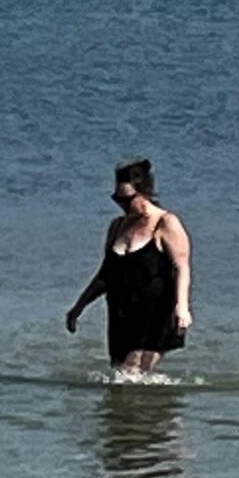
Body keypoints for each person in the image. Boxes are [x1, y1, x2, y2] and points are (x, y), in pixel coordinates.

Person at [66, 158, 193, 374]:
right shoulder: (116, 227)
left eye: (126, 199)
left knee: (132, 370)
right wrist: (78, 307)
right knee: (119, 373)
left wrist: (182, 307)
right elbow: (105, 275)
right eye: (117, 199)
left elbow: (182, 267)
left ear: (144, 192)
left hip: (155, 311)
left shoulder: (165, 223)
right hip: (121, 313)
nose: (121, 205)